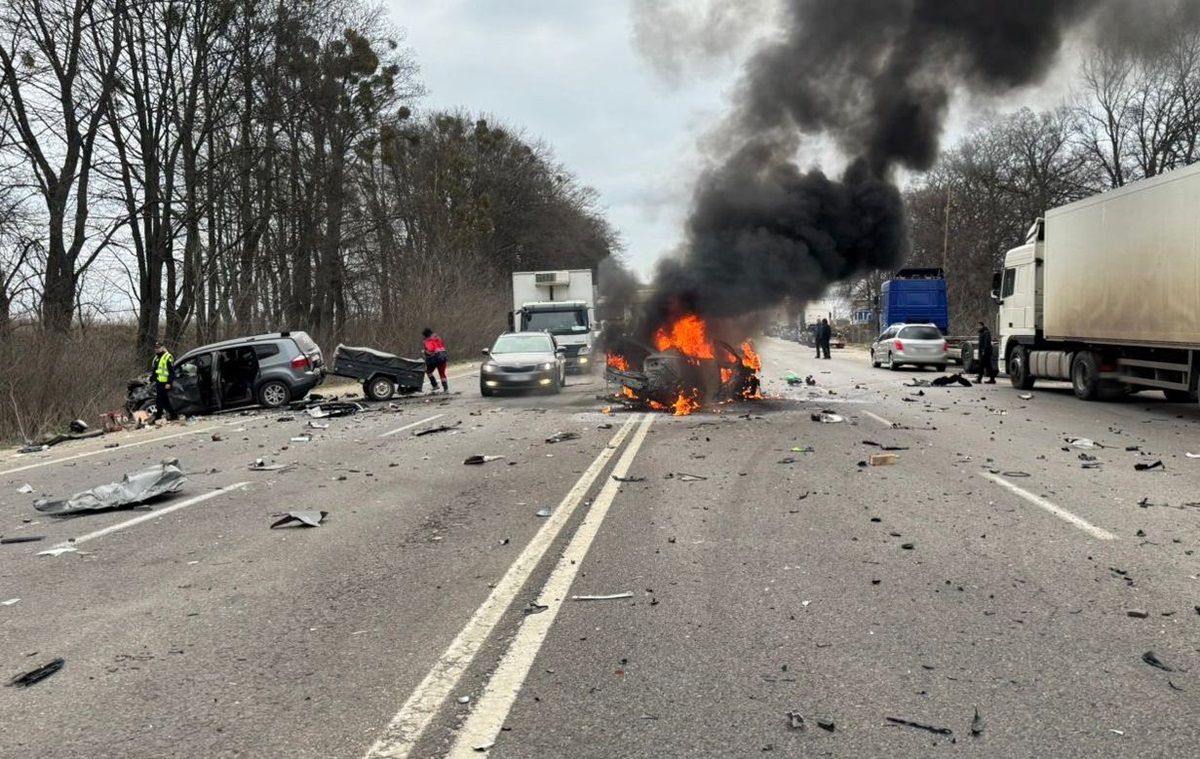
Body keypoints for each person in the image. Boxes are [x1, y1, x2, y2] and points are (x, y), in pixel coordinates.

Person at [150, 341, 178, 422]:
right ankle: (162, 415)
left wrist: (169, 382)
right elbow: (155, 371)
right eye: (156, 348)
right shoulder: (156, 358)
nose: (157, 349)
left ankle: (172, 415)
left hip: (165, 383)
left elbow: (172, 372)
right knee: (160, 400)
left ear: (163, 347)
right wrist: (151, 379)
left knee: (163, 400)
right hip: (159, 382)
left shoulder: (167, 357)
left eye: (159, 348)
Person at [422, 328, 449, 393]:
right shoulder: (438, 338)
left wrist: (425, 351)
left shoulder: (428, 341)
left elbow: (431, 349)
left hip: (434, 359)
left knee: (428, 371)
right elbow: (442, 346)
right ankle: (446, 389)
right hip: (443, 357)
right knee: (442, 374)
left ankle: (435, 385)